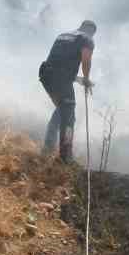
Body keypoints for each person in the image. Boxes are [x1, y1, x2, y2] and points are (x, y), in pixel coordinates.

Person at [39, 19, 95, 163]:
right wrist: (87, 78)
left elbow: (59, 65)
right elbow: (86, 60)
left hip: (46, 74)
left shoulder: (63, 35)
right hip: (60, 78)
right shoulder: (86, 39)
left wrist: (78, 80)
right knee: (68, 116)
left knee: (62, 110)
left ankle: (48, 148)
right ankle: (65, 157)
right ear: (91, 31)